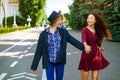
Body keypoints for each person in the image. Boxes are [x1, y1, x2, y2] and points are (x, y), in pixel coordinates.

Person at [31, 11, 85, 80]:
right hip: (48, 62)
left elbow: (74, 41)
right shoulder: (43, 34)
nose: (61, 22)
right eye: (60, 20)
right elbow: (39, 50)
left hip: (60, 60)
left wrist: (84, 48)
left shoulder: (63, 32)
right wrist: (34, 66)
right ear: (54, 21)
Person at [78, 13, 112, 80]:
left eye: (91, 18)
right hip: (86, 55)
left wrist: (100, 46)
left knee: (95, 78)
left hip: (96, 56)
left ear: (95, 21)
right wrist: (86, 46)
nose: (89, 20)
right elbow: (83, 39)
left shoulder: (97, 31)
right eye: (88, 18)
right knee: (84, 79)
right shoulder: (84, 29)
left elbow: (97, 41)